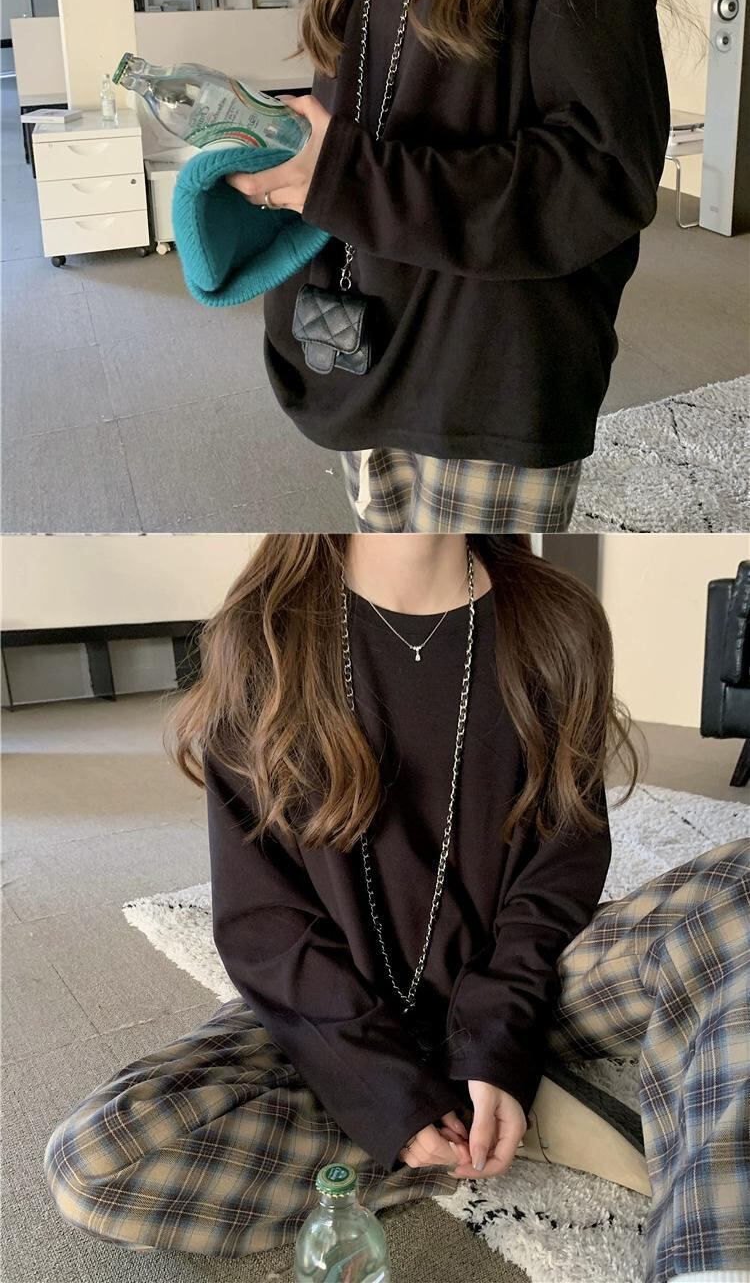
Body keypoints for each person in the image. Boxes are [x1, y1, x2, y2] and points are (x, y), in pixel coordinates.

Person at [43, 535, 749, 1283]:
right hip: (340, 1014)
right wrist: (385, 1095)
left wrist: (497, 1034)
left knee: (736, 891)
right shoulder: (261, 639)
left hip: (537, 985)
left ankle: (691, 1248)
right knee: (99, 1161)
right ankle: (502, 1124)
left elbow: (558, 873)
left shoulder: (555, 620)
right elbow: (266, 925)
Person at [232, 0, 671, 533]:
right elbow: (359, 115)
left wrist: (343, 177)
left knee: (480, 598)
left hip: (484, 375)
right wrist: (284, 163)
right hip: (357, 350)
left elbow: (603, 169)